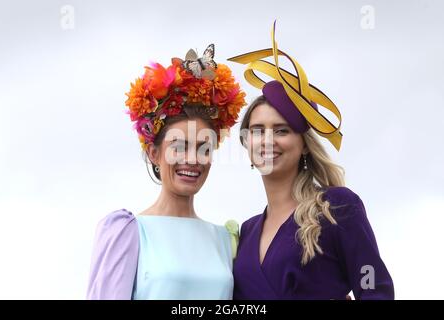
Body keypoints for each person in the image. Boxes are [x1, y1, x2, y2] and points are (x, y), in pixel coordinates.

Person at [228, 22, 394, 300]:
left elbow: (375, 289)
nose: (268, 140)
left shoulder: (337, 206)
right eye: (258, 131)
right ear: (247, 143)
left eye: (281, 130)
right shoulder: (246, 232)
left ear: (304, 144)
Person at [86, 44, 245, 299]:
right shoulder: (129, 231)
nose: (192, 159)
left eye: (204, 148)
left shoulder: (226, 240)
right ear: (153, 153)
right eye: (179, 147)